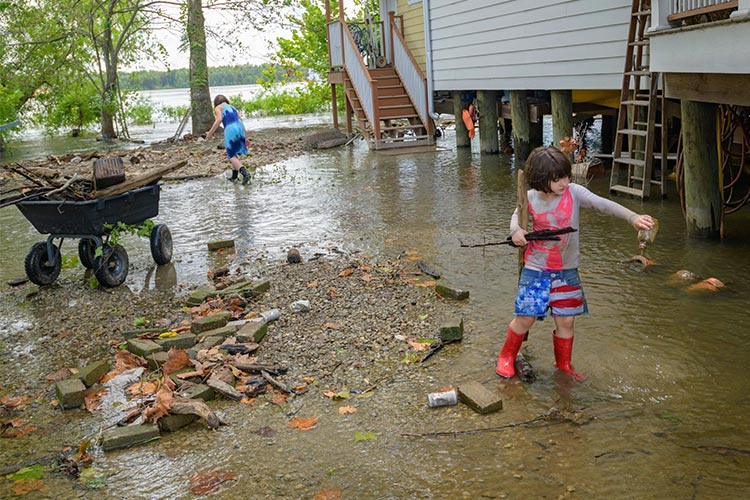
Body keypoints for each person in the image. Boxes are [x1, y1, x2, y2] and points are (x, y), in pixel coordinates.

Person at [496, 146, 654, 381]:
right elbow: (515, 219)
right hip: (536, 269)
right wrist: (517, 231)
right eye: (558, 179)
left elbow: (603, 204)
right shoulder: (529, 198)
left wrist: (632, 217)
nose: (564, 182)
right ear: (540, 179)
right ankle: (506, 357)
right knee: (526, 317)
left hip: (567, 271)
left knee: (566, 320)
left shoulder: (574, 193)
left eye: (566, 176)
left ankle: (564, 366)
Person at [206, 95, 251, 184]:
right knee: (235, 154)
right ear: (226, 100)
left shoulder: (218, 107)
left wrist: (210, 133)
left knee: (231, 156)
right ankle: (234, 177)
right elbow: (240, 120)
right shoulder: (232, 107)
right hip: (240, 128)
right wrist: (245, 136)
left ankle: (245, 174)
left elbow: (219, 120)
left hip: (231, 129)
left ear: (216, 103)